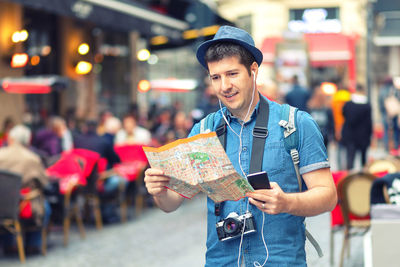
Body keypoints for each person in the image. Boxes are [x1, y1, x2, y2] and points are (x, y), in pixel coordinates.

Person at [144, 26, 337, 266]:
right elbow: (172, 202)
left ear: (253, 70)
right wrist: (159, 191)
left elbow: (328, 196)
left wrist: (287, 202)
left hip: (281, 260)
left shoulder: (296, 124)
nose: (224, 86)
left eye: (232, 73)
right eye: (216, 77)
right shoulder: (204, 131)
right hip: (221, 260)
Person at [0, 125, 51, 254]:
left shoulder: (1, 154)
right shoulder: (32, 158)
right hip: (24, 205)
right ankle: (33, 244)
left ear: (11, 139)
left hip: (2, 204)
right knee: (44, 207)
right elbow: (43, 183)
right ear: (27, 141)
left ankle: (7, 244)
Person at [341, 84, 373, 170]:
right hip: (363, 135)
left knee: (350, 158)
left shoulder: (348, 104)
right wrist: (370, 135)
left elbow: (344, 115)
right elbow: (369, 122)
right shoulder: (367, 105)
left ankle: (349, 178)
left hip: (350, 134)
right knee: (363, 159)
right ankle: (364, 178)